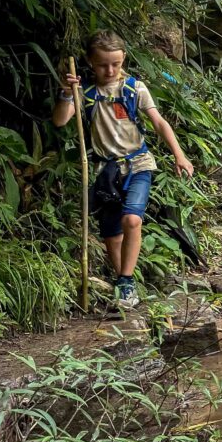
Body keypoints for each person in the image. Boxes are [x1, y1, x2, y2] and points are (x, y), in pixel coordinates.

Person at [53, 31, 194, 308]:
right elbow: (60, 120)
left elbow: (158, 122)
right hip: (105, 172)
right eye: (103, 65)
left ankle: (126, 280)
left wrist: (180, 155)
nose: (110, 70)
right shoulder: (87, 95)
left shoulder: (134, 88)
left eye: (115, 64)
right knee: (111, 235)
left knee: (132, 220)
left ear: (123, 60)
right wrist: (67, 92)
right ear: (91, 63)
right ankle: (124, 290)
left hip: (138, 164)